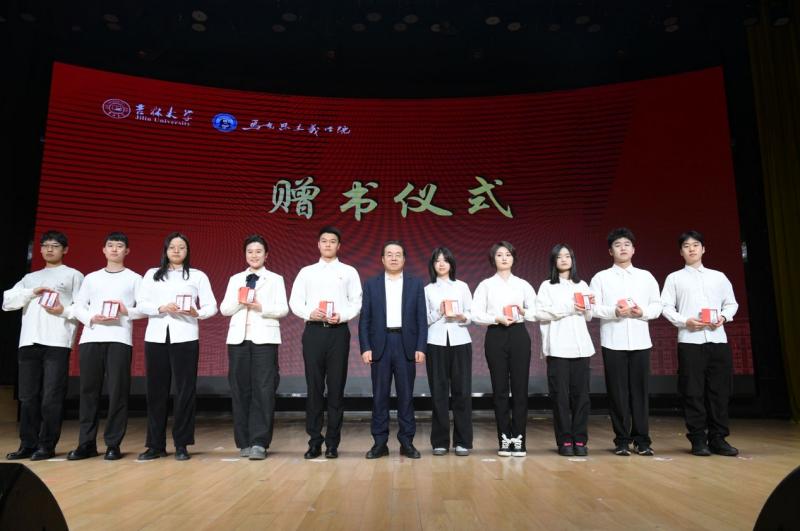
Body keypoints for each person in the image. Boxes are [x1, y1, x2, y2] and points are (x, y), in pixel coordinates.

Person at [136, 232, 217, 461]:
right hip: (156, 337)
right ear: (166, 250)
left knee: (184, 391)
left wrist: (195, 312)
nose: (176, 251)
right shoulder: (152, 274)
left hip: (186, 337)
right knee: (156, 391)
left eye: (181, 247)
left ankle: (182, 444)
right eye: (172, 247)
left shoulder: (197, 276)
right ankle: (155, 445)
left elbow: (212, 306)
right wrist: (161, 308)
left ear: (187, 251)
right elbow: (141, 304)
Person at [3, 230, 83, 461]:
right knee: (28, 397)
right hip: (29, 341)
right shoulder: (30, 278)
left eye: (55, 246)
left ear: (65, 250)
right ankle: (27, 444)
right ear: (39, 249)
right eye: (46, 245)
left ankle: (47, 445)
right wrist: (33, 292)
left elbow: (81, 308)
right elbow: (8, 302)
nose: (49, 249)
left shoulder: (73, 275)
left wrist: (62, 310)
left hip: (57, 341)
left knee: (51, 397)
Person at [661, 230, 739, 457]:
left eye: (696, 245)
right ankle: (697, 439)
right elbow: (665, 307)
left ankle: (718, 439)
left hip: (718, 340)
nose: (692, 249)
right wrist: (685, 321)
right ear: (681, 252)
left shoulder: (719, 277)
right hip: (690, 341)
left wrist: (723, 317)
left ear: (703, 249)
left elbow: (731, 303)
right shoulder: (674, 278)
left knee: (719, 392)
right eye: (686, 246)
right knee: (692, 392)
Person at [66, 232, 144, 461]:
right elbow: (78, 305)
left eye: (119, 246)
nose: (114, 249)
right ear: (104, 250)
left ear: (127, 251)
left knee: (118, 392)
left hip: (120, 339)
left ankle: (113, 444)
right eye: (110, 245)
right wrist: (92, 317)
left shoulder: (135, 278)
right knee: (88, 392)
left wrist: (125, 310)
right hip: (91, 337)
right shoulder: (92, 278)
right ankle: (86, 443)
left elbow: (144, 308)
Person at [289, 226, 361, 459]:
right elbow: (295, 301)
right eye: (324, 241)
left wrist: (343, 315)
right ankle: (314, 441)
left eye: (332, 241)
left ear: (339, 246)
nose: (328, 244)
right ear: (318, 244)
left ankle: (332, 443)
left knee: (336, 388)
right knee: (314, 388)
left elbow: (356, 302)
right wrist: (309, 313)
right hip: (313, 332)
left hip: (338, 332)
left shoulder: (349, 271)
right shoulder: (306, 272)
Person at [590, 227, 661, 456]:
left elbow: (657, 306)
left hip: (641, 341)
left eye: (627, 244)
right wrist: (614, 312)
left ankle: (642, 440)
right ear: (610, 251)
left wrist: (642, 312)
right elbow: (592, 308)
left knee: (640, 392)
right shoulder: (601, 278)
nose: (623, 248)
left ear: (634, 249)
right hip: (613, 341)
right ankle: (621, 439)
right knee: (617, 393)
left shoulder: (645, 276)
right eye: (618, 245)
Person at [220, 235, 288, 460]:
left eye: (258, 251)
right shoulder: (235, 279)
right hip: (238, 340)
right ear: (245, 254)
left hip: (265, 339)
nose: (254, 255)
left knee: (264, 389)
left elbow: (283, 309)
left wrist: (260, 306)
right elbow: (225, 309)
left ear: (266, 255)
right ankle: (244, 442)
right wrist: (241, 301)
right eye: (250, 251)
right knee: (240, 389)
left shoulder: (275, 279)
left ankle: (259, 442)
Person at [359, 241, 427, 459]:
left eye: (398, 254)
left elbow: (421, 318)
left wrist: (421, 347)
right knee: (380, 396)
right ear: (382, 259)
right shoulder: (371, 284)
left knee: (406, 396)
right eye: (389, 254)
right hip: (380, 344)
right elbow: (365, 319)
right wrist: (365, 347)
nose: (394, 258)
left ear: (404, 259)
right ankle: (380, 443)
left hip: (406, 344)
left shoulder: (416, 284)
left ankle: (407, 442)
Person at [472, 241, 536, 457]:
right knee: (499, 389)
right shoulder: (486, 285)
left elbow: (537, 310)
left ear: (513, 258)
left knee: (520, 388)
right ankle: (504, 438)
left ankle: (519, 438)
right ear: (493, 259)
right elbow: (476, 314)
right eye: (499, 255)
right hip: (495, 333)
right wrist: (496, 318)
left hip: (519, 335)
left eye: (508, 254)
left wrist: (524, 311)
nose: (504, 258)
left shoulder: (523, 284)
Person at [536, 244, 595, 457]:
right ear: (553, 261)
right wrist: (570, 308)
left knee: (582, 397)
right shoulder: (546, 286)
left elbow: (589, 316)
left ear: (572, 259)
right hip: (557, 347)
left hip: (581, 347)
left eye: (567, 256)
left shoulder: (582, 284)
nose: (563, 259)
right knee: (560, 397)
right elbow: (540, 313)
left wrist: (589, 305)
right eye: (559, 256)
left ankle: (580, 439)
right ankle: (565, 440)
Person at [424, 247, 473, 456]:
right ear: (433, 265)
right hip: (435, 342)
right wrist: (439, 312)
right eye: (437, 260)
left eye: (445, 260)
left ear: (451, 264)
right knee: (439, 393)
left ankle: (463, 441)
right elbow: (423, 319)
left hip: (460, 340)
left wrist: (462, 317)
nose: (442, 264)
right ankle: (440, 441)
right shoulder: (427, 289)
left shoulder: (462, 286)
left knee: (462, 392)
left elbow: (472, 313)